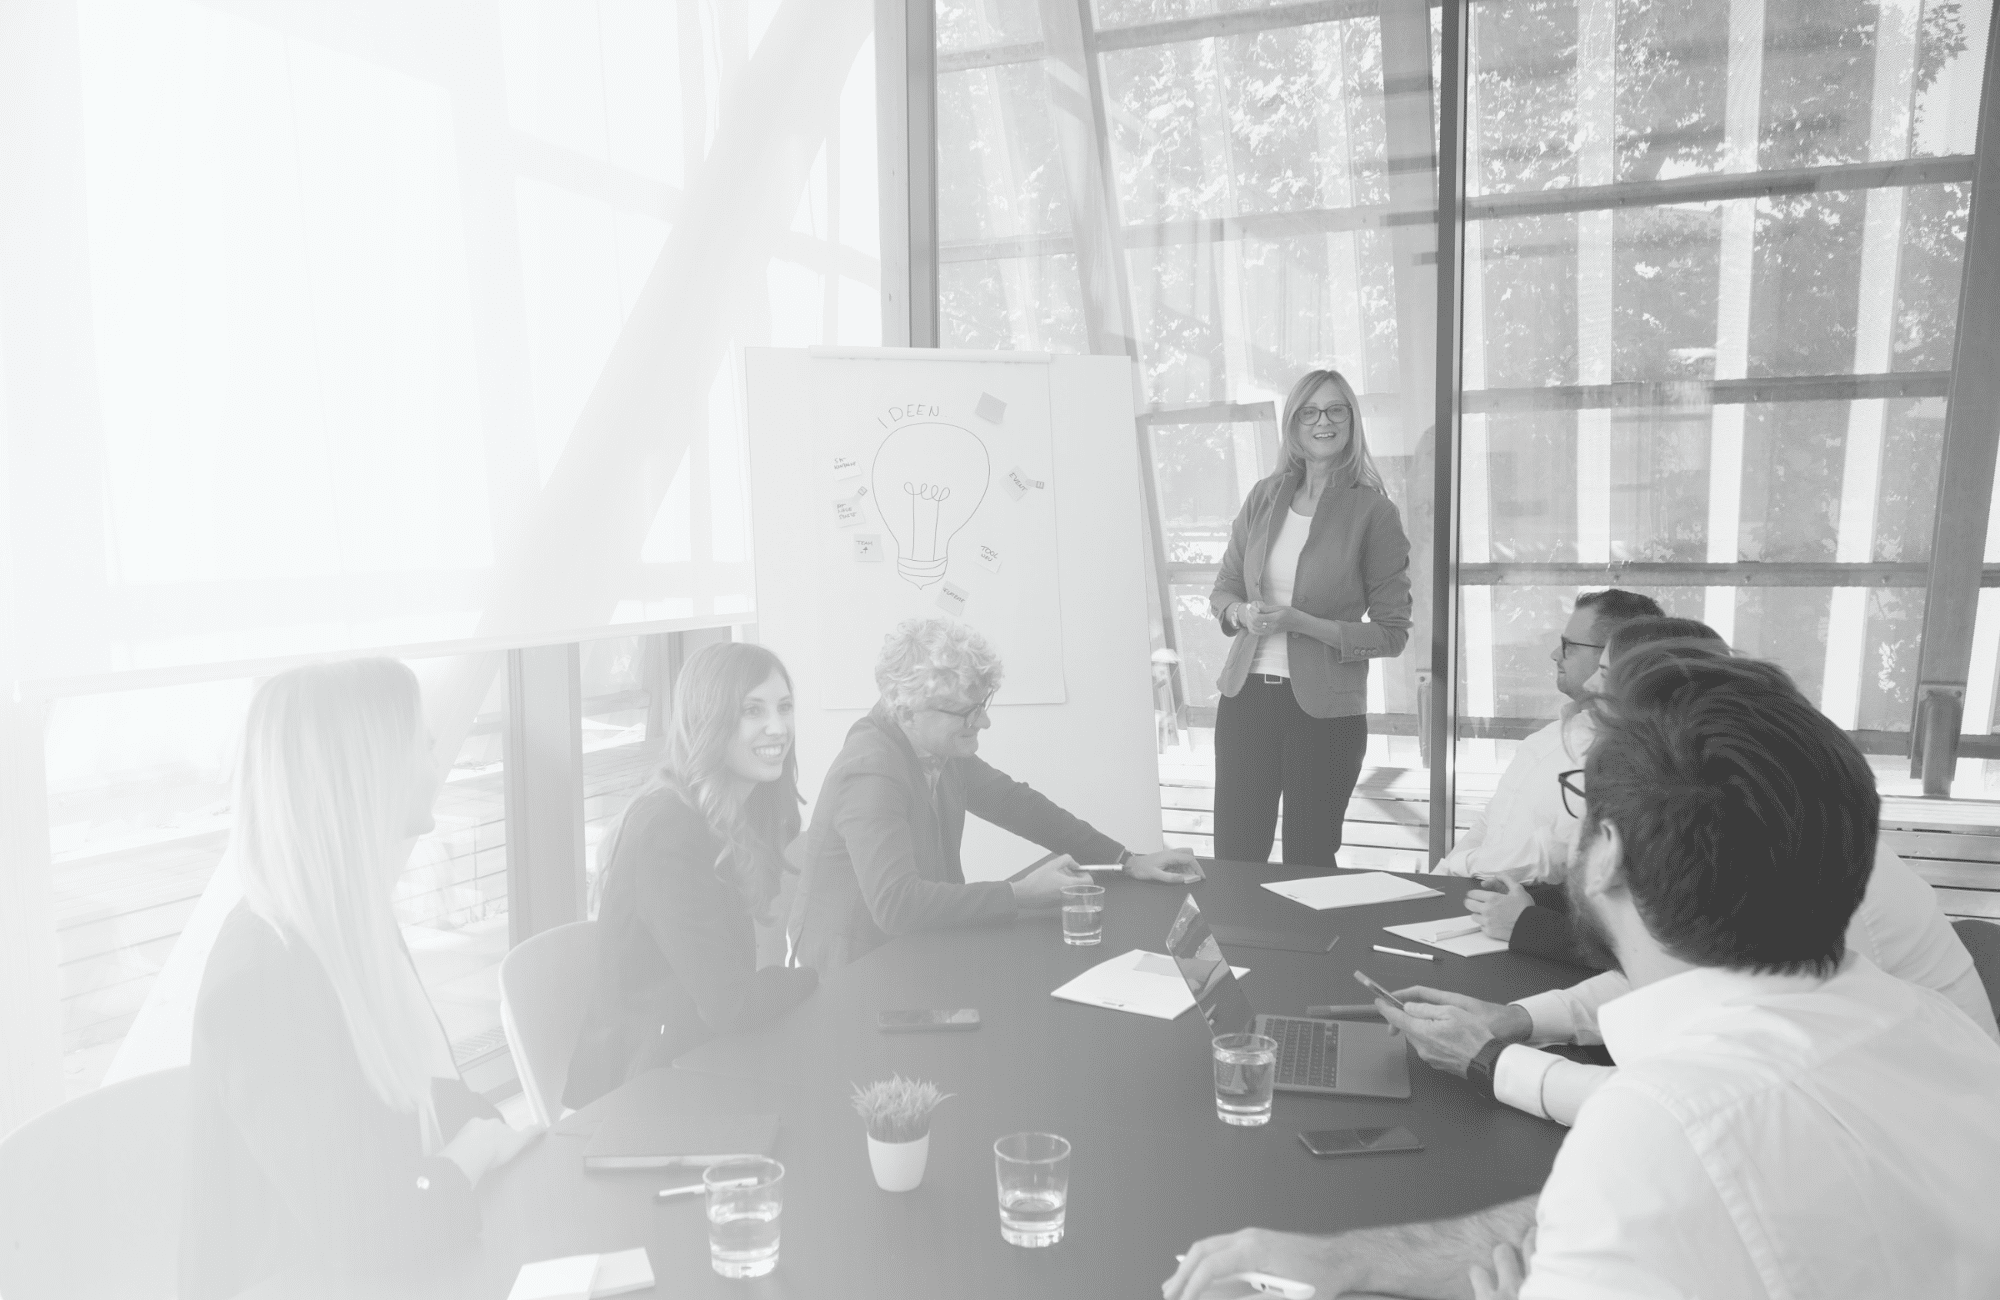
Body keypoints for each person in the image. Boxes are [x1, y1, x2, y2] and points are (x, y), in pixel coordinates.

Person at [1166, 651, 2000, 1300]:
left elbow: (1660, 1171)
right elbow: (1611, 1210)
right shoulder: (1937, 1035)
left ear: (1605, 856)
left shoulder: (1666, 1129)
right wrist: (1348, 1260)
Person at [1398, 638, 2000, 1129]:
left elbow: (1707, 1108)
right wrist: (1519, 1020)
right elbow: (1677, 980)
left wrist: (1494, 1060)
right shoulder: (1783, 842)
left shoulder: (1810, 891)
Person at [182, 661, 542, 1299]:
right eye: (420, 743)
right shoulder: (261, 977)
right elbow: (363, 1237)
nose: (436, 755)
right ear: (366, 774)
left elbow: (428, 1100)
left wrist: (488, 1137)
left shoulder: (350, 925)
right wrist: (469, 1158)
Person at [787, 618, 1203, 973]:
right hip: (856, 968)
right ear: (909, 711)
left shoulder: (936, 747)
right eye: (967, 712)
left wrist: (1127, 861)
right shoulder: (871, 770)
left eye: (982, 704)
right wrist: (1019, 893)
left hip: (914, 946)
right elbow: (896, 904)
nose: (983, 721)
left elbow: (1016, 804)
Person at [565, 643, 820, 1107]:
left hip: (696, 1055)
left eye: (785, 707)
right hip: (639, 1090)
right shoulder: (668, 828)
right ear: (710, 720)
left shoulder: (737, 811)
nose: (778, 727)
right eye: (752, 710)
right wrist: (812, 979)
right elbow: (731, 1004)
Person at [1208, 367, 1411, 870]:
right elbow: (1223, 590)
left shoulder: (1374, 513)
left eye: (1336, 409)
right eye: (1310, 411)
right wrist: (1240, 612)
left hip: (1324, 714)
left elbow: (1391, 634)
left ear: (1351, 421)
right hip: (1246, 698)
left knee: (1310, 861)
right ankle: (1238, 951)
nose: (1324, 421)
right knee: (1235, 857)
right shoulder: (1264, 495)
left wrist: (1300, 622)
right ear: (1294, 424)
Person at [1462, 612, 1706, 964]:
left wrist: (1530, 923)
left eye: (1604, 673)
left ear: (1650, 685)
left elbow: (1669, 950)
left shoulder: (1686, 792)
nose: (1590, 686)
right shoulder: (1640, 760)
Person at [1437, 589, 1663, 887]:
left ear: (1615, 655)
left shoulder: (1625, 759)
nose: (1555, 654)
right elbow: (1490, 821)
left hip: (1525, 914)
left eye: (1569, 646)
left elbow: (1550, 855)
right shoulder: (1548, 737)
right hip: (1474, 893)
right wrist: (1442, 877)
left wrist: (1455, 867)